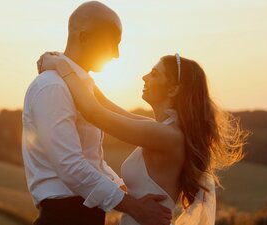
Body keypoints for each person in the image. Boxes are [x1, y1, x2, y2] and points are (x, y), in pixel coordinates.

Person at [37, 51, 248, 225]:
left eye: (155, 74)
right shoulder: (161, 130)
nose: (145, 77)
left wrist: (61, 66)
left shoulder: (167, 136)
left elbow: (94, 112)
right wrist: (72, 67)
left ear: (174, 89)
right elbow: (103, 103)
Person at [22, 1, 172, 225]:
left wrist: (130, 198)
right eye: (112, 44)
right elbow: (71, 167)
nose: (116, 54)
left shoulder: (80, 88)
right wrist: (133, 206)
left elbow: (94, 163)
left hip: (84, 215)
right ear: (84, 37)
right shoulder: (52, 87)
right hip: (63, 217)